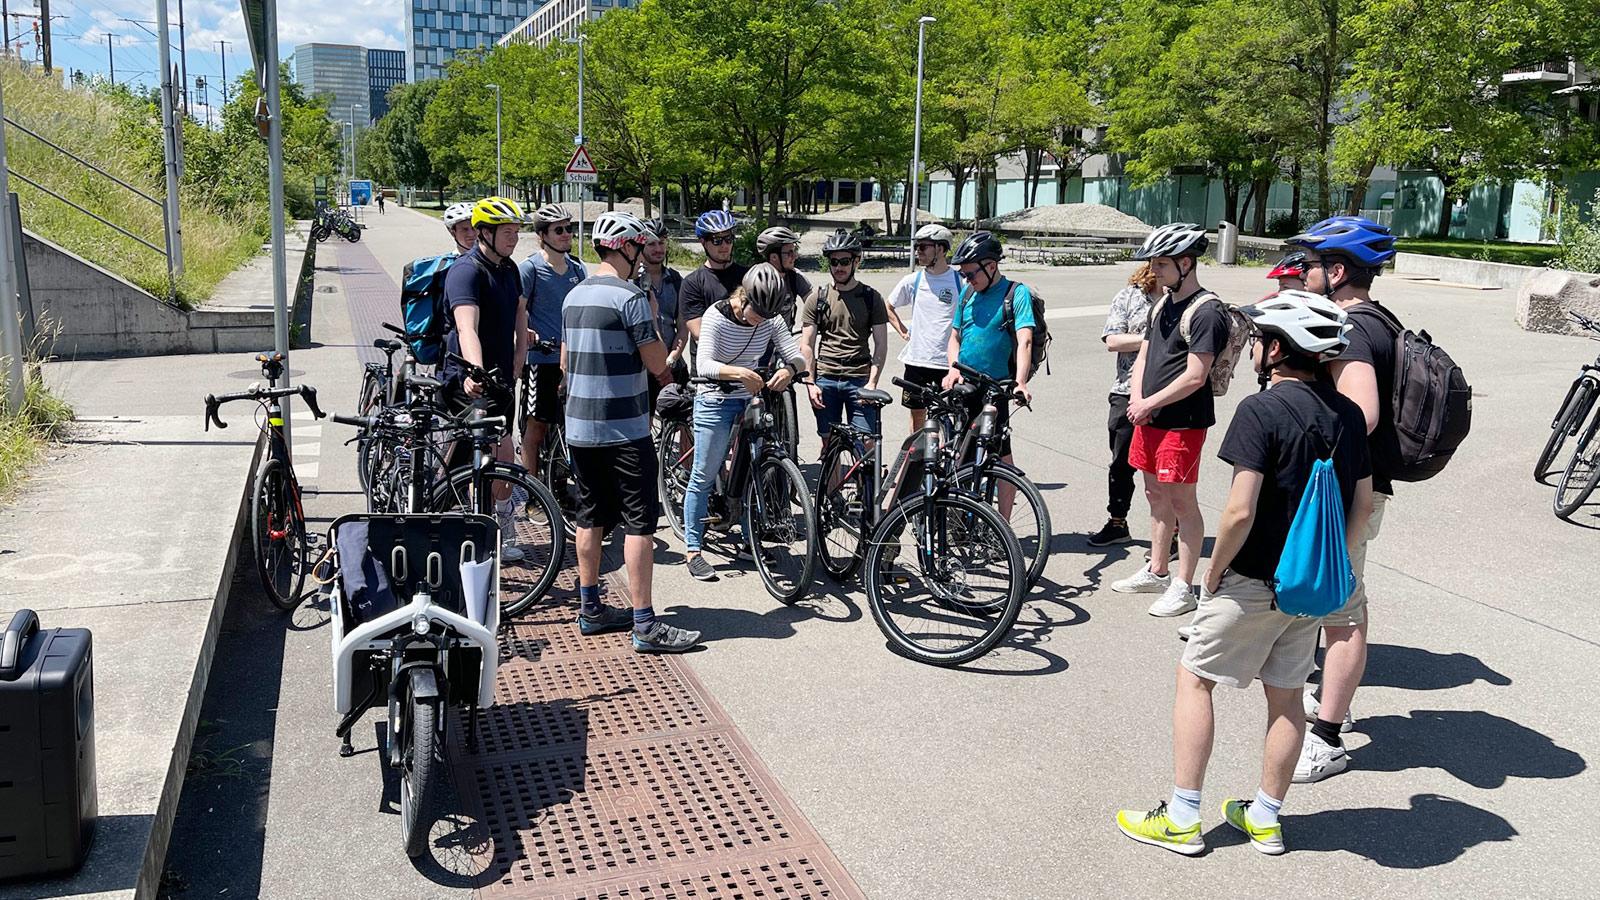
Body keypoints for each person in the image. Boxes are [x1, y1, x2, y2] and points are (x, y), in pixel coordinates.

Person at [1115, 290, 1372, 858]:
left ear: (1277, 350)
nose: (1254, 348)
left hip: (1252, 578)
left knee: (1196, 678)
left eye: (1258, 341)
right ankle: (1266, 816)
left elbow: (1238, 510)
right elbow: (1359, 505)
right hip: (1309, 589)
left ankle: (1182, 816)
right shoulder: (1350, 417)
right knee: (1286, 698)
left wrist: (1214, 572)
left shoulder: (1261, 411)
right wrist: (1333, 571)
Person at [1283, 215, 1400, 784]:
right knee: (1337, 601)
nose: (1301, 275)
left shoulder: (1351, 329)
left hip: (1348, 492)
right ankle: (1334, 697)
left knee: (1343, 608)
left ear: (1336, 271)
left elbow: (1363, 413)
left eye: (1308, 266)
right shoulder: (1376, 320)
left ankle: (1327, 738)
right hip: (1354, 488)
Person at [561, 211, 700, 653]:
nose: (642, 256)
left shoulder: (573, 296)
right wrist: (656, 317)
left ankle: (591, 610)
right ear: (624, 247)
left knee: (590, 518)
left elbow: (566, 363)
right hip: (624, 430)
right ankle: (645, 624)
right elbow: (658, 362)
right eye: (638, 247)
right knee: (640, 524)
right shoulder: (631, 298)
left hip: (580, 428)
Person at [1111, 223, 1229, 619]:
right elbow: (1146, 351)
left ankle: (1184, 586)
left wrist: (1149, 403)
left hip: (1183, 422)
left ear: (1186, 262)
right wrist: (1137, 395)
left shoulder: (1208, 311)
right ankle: (1157, 569)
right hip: (1149, 415)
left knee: (1182, 501)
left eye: (1162, 263)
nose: (1154, 271)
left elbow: (1197, 375)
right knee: (1153, 495)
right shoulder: (1163, 302)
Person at [681, 264, 807, 582]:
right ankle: (693, 549)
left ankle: (750, 537)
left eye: (767, 315)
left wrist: (790, 369)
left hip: (750, 397)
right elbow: (705, 362)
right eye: (757, 313)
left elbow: (798, 355)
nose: (761, 321)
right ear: (743, 297)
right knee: (705, 473)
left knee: (756, 467)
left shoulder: (770, 317)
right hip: (715, 397)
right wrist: (738, 373)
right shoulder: (715, 315)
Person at [440, 196, 530, 562]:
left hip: (501, 379)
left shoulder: (509, 269)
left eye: (515, 231)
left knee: (476, 461)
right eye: (507, 231)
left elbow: (521, 313)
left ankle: (483, 525)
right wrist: (475, 369)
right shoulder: (466, 271)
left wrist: (520, 355)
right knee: (501, 453)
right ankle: (497, 531)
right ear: (484, 233)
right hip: (467, 380)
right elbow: (466, 327)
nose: (513, 238)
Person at [942, 230, 1035, 515]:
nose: (967, 280)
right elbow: (954, 338)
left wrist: (1019, 382)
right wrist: (951, 370)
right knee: (961, 452)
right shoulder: (969, 294)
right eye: (964, 275)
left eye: (971, 274)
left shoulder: (1015, 293)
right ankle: (958, 515)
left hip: (995, 388)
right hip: (965, 384)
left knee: (1001, 457)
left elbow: (1025, 340)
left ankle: (1003, 525)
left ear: (991, 266)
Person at [519, 203, 589, 479]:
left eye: (568, 229)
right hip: (542, 361)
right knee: (536, 427)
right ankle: (532, 490)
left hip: (572, 361)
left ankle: (561, 484)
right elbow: (519, 309)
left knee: (570, 425)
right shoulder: (530, 269)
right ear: (542, 235)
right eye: (558, 230)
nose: (565, 235)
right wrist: (526, 332)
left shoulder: (578, 269)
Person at [1091, 263, 1158, 546]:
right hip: (1126, 391)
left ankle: (1174, 533)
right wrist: (1152, 340)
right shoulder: (1129, 296)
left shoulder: (1182, 297)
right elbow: (1113, 339)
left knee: (1162, 468)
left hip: (1168, 393)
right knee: (1121, 462)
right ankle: (1118, 522)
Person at [800, 229, 889, 440]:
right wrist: (810, 384)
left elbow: (881, 344)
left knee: (865, 443)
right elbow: (807, 345)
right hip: (826, 379)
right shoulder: (817, 299)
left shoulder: (871, 298)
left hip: (859, 379)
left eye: (845, 261)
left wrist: (872, 383)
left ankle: (863, 475)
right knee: (829, 443)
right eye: (834, 262)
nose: (839, 267)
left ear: (856, 262)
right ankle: (833, 472)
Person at [888, 223, 961, 434]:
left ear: (940, 248)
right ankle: (918, 463)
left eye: (923, 247)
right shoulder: (912, 280)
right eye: (916, 247)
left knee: (951, 415)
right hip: (917, 362)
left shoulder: (959, 281)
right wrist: (903, 331)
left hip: (947, 363)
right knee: (917, 416)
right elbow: (888, 306)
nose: (918, 252)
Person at [681, 209, 747, 342]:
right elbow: (698, 332)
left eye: (728, 239)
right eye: (717, 240)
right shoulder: (692, 283)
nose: (724, 245)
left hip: (747, 359)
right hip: (711, 360)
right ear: (703, 242)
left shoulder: (747, 276)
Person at [638, 218, 688, 383]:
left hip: (673, 366)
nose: (658, 249)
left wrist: (673, 356)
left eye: (661, 243)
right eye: (651, 244)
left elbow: (682, 325)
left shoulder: (675, 279)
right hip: (641, 370)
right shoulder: (630, 282)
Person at [754, 226, 813, 330]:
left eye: (794, 251)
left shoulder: (795, 277)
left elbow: (813, 306)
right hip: (758, 343)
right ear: (774, 257)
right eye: (790, 252)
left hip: (785, 342)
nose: (795, 256)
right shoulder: (756, 280)